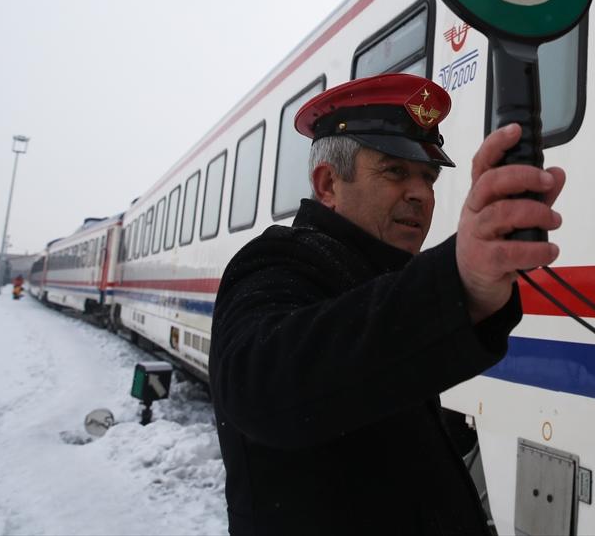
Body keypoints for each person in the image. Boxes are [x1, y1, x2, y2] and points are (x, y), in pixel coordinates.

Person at [210, 73, 566, 535]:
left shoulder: (381, 276)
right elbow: (258, 388)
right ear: (327, 185)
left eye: (428, 176)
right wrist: (455, 283)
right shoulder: (276, 262)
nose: (421, 193)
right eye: (395, 171)